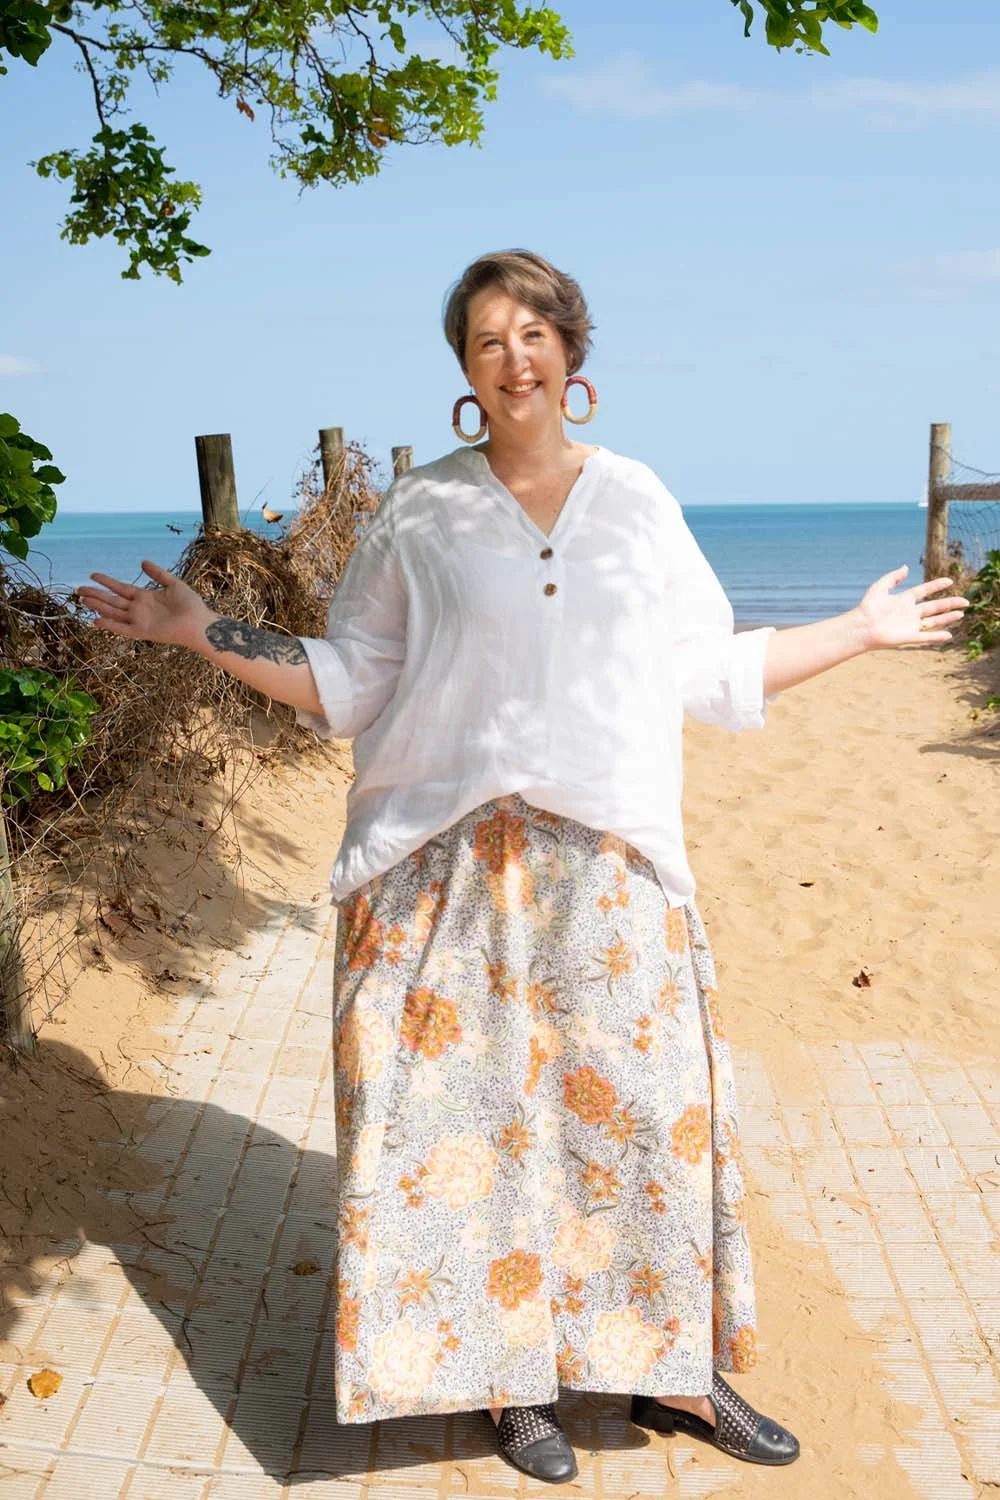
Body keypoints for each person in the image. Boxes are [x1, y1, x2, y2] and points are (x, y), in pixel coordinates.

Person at [79, 249, 968, 1482]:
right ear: (464, 368)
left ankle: (674, 1367)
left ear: (572, 354)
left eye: (534, 334)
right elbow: (351, 681)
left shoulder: (638, 501)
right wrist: (201, 632)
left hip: (607, 859)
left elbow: (709, 670)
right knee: (464, 1125)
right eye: (489, 340)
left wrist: (859, 631)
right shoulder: (420, 512)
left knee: (649, 1116)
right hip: (439, 859)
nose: (515, 358)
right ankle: (509, 1379)